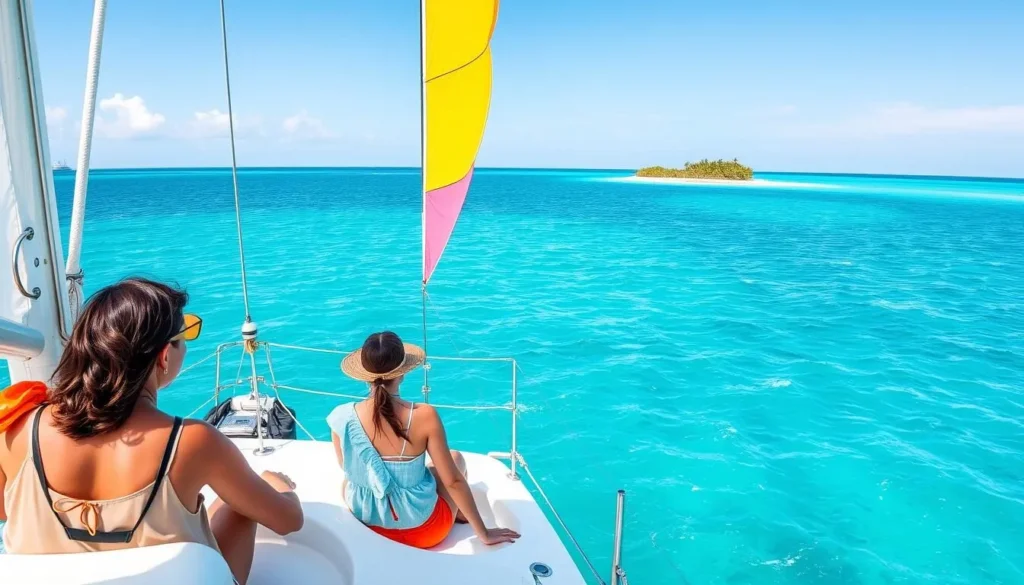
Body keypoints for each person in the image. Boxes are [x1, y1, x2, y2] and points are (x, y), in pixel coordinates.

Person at [0, 278, 303, 585]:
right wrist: (279, 486)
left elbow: (4, 510)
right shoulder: (194, 442)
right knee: (239, 502)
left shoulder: (16, 427)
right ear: (164, 355)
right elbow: (288, 521)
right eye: (184, 335)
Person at [327, 331, 520, 549]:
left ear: (365, 375)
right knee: (455, 460)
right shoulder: (424, 415)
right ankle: (459, 515)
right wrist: (483, 533)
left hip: (367, 524)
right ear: (402, 373)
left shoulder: (340, 416)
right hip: (424, 531)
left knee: (349, 480)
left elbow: (347, 466)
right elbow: (453, 482)